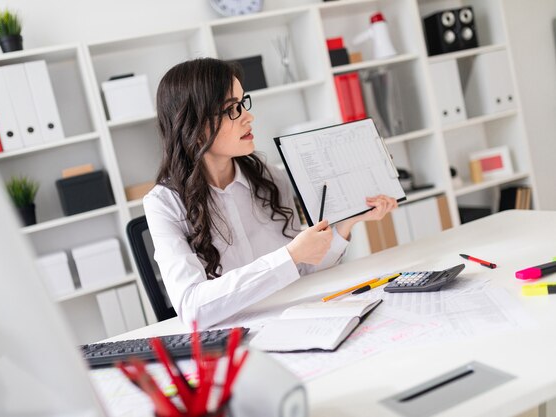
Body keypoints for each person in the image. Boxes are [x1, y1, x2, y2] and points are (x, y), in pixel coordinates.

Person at [143, 58, 397, 328]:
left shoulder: (270, 178)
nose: (248, 117)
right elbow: (192, 308)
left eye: (243, 104)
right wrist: (289, 256)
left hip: (294, 320)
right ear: (194, 126)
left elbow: (303, 270)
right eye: (231, 110)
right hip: (235, 340)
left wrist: (347, 222)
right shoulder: (163, 204)